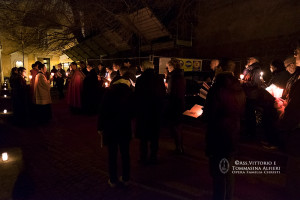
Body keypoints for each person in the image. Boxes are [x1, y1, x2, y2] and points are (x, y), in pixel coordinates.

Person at [204, 72, 246, 200]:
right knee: (228, 170)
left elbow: (210, 114)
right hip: (233, 132)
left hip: (218, 134)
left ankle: (219, 197)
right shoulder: (240, 92)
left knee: (219, 172)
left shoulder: (217, 91)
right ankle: (229, 196)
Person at [97, 69, 133, 187]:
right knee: (125, 154)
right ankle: (126, 178)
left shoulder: (109, 92)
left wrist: (100, 127)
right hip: (124, 127)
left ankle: (113, 179)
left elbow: (102, 111)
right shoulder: (129, 93)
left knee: (112, 155)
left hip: (111, 127)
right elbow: (134, 111)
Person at [135, 61, 166, 164]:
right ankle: (153, 156)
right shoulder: (159, 79)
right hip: (155, 111)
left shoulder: (140, 80)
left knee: (143, 138)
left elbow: (137, 97)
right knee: (154, 137)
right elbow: (163, 94)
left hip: (144, 112)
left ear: (143, 67)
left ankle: (143, 157)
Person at [166, 58, 186, 153]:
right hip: (180, 103)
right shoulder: (181, 76)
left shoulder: (174, 77)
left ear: (172, 66)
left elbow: (171, 93)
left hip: (174, 104)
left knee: (176, 127)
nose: (167, 68)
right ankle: (180, 146)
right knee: (179, 126)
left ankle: (179, 148)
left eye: (168, 67)